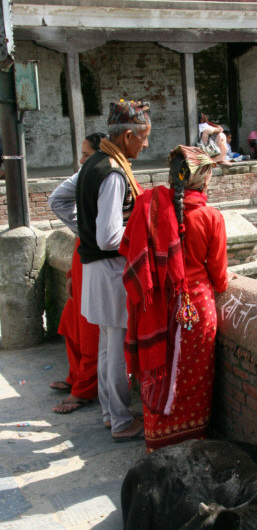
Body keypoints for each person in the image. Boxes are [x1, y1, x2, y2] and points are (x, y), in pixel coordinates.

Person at [49, 99, 150, 442]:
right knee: (117, 348)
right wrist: (139, 235)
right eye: (143, 137)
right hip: (111, 270)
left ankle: (111, 414)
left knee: (109, 347)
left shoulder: (93, 162)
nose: (146, 144)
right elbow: (110, 238)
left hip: (95, 269)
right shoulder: (113, 173)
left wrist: (83, 231)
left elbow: (57, 201)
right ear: (127, 138)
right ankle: (121, 421)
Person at [120, 145, 229, 452]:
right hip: (194, 310)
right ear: (204, 180)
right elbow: (220, 277)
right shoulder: (211, 217)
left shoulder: (151, 209)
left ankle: (157, 444)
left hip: (158, 308)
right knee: (191, 384)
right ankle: (190, 446)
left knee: (159, 376)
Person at [48, 132, 106, 414]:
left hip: (96, 256)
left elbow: (57, 200)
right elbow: (58, 201)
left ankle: (85, 389)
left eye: (86, 154)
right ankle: (76, 378)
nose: (81, 160)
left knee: (90, 328)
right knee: (71, 324)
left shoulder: (105, 174)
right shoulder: (90, 173)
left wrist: (86, 230)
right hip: (82, 253)